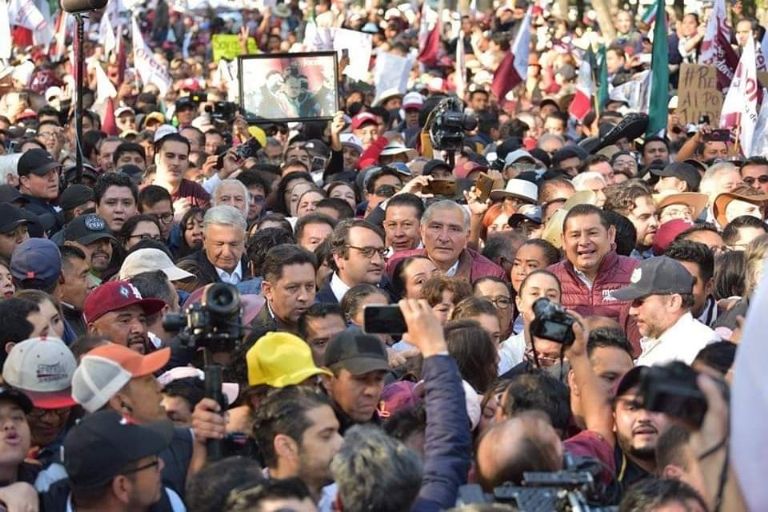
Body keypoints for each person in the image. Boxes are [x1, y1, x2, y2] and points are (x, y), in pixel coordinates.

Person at [43, 410, 183, 512]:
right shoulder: (39, 506)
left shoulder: (169, 503)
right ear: (122, 486)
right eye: (153, 463)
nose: (162, 464)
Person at [549, 204, 640, 351]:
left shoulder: (637, 273)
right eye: (575, 235)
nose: (584, 242)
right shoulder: (549, 279)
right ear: (563, 240)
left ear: (610, 235)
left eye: (592, 233)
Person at [613, 256, 719, 365]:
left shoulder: (699, 347)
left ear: (673, 302)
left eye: (640, 301)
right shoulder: (658, 339)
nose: (632, 311)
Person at [251, 386, 343, 504]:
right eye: (326, 436)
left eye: (338, 432)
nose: (341, 443)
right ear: (286, 447)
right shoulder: (246, 506)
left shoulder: (352, 500)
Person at [387, 200, 506, 283]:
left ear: (467, 236)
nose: (444, 238)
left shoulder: (490, 274)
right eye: (436, 227)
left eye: (454, 229)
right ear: (422, 231)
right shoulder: (398, 264)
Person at [321, 329, 389, 433]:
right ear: (328, 379)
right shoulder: (306, 436)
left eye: (378, 379)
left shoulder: (387, 437)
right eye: (361, 379)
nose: (372, 391)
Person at [177, 205, 250, 293]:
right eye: (219, 244)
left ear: (245, 239)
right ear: (204, 239)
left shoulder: (258, 269)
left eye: (233, 244)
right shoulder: (186, 274)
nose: (226, 252)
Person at [83, 281, 166, 354]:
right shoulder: (86, 371)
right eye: (125, 321)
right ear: (94, 332)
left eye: (142, 320)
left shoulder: (160, 364)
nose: (139, 329)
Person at [317, 219, 387, 304]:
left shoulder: (394, 294)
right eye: (366, 251)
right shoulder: (315, 306)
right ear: (339, 258)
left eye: (381, 252)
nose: (378, 261)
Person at [252, 244, 317, 334]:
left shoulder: (329, 327)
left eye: (309, 286)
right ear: (268, 290)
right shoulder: (249, 334)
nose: (304, 297)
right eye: (293, 288)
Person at [62, 214, 118, 278]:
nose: (103, 248)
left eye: (107, 242)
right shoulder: (59, 284)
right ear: (69, 247)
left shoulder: (120, 281)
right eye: (93, 242)